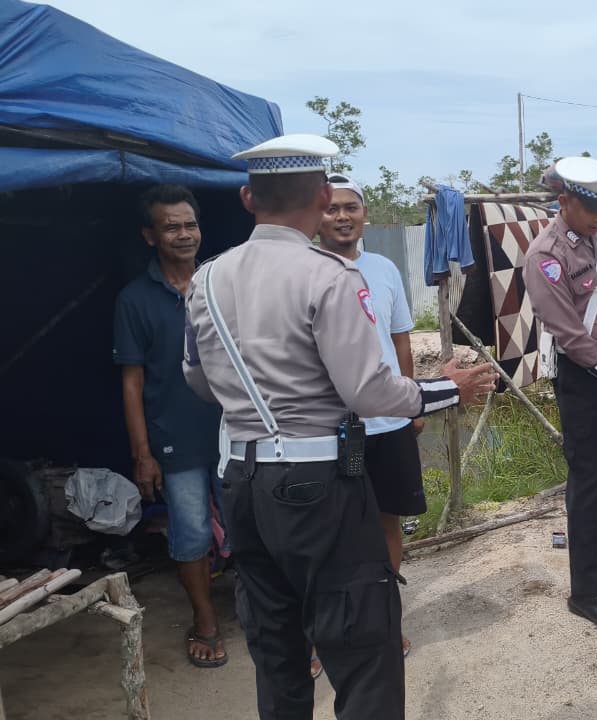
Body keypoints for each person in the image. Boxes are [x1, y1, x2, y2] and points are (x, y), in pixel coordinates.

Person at [182, 134, 496, 719]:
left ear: (249, 199)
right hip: (316, 481)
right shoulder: (329, 275)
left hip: (241, 479)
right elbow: (368, 391)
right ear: (322, 197)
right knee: (362, 645)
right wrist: (448, 388)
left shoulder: (207, 278)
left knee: (275, 642)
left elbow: (199, 382)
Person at [525, 156, 597, 632]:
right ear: (565, 201)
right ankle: (587, 590)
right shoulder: (545, 256)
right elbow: (570, 335)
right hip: (587, 376)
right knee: (591, 482)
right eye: (592, 208)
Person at [113, 184, 227, 668]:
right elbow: (132, 383)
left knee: (255, 525)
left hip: (235, 430)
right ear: (150, 235)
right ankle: (205, 621)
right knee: (192, 533)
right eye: (171, 226)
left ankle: (271, 613)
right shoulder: (135, 300)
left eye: (190, 224)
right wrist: (143, 453)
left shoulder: (222, 282)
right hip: (176, 438)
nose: (184, 235)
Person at [313, 173, 422, 671]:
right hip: (329, 426)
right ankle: (323, 635)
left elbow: (401, 339)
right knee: (328, 532)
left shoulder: (384, 269)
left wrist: (410, 401)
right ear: (317, 214)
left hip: (387, 422)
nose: (341, 216)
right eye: (332, 208)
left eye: (350, 207)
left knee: (387, 525)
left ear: (364, 214)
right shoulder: (306, 270)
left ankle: (386, 623)